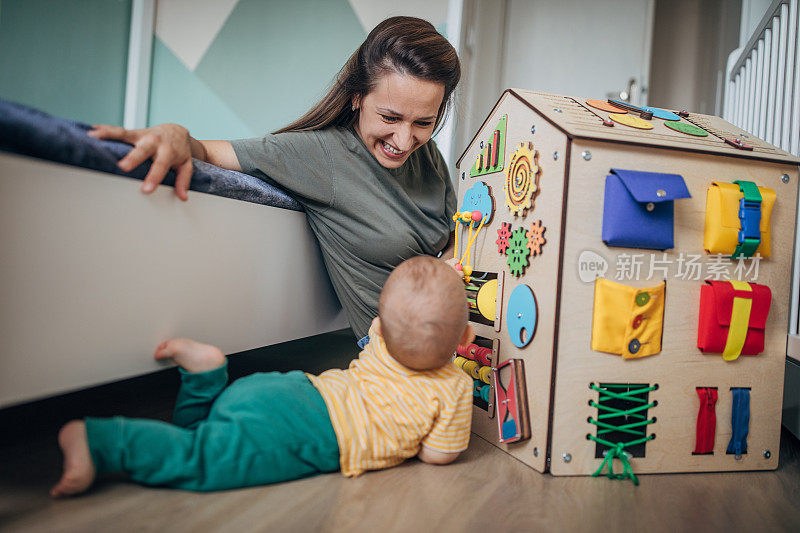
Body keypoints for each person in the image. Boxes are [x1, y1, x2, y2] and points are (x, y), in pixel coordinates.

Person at [87, 16, 461, 340]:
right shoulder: (322, 156)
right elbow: (207, 151)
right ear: (357, 97)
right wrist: (173, 134)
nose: (404, 139)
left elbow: (454, 240)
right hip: (396, 365)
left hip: (455, 335)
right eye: (391, 118)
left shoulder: (429, 159)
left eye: (423, 122)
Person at [50, 256, 475, 496]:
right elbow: (439, 455)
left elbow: (395, 319)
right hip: (312, 432)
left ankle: (207, 376)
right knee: (202, 461)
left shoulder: (381, 336)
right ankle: (100, 442)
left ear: (380, 323)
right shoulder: (454, 387)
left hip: (296, 388)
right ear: (467, 336)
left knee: (205, 432)